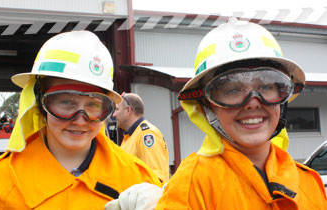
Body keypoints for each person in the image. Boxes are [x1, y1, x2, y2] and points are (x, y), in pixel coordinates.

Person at [106, 18, 327, 210]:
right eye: (232, 89)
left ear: (284, 96)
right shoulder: (194, 184)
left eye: (267, 86)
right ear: (206, 106)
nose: (252, 103)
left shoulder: (309, 183)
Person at [0, 30, 161, 209]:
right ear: (41, 103)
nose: (80, 120)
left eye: (94, 105)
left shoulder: (136, 180)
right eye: (66, 102)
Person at [112, 93, 169, 183]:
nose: (114, 115)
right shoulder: (129, 136)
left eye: (117, 109)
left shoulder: (146, 134)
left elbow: (156, 178)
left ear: (128, 110)